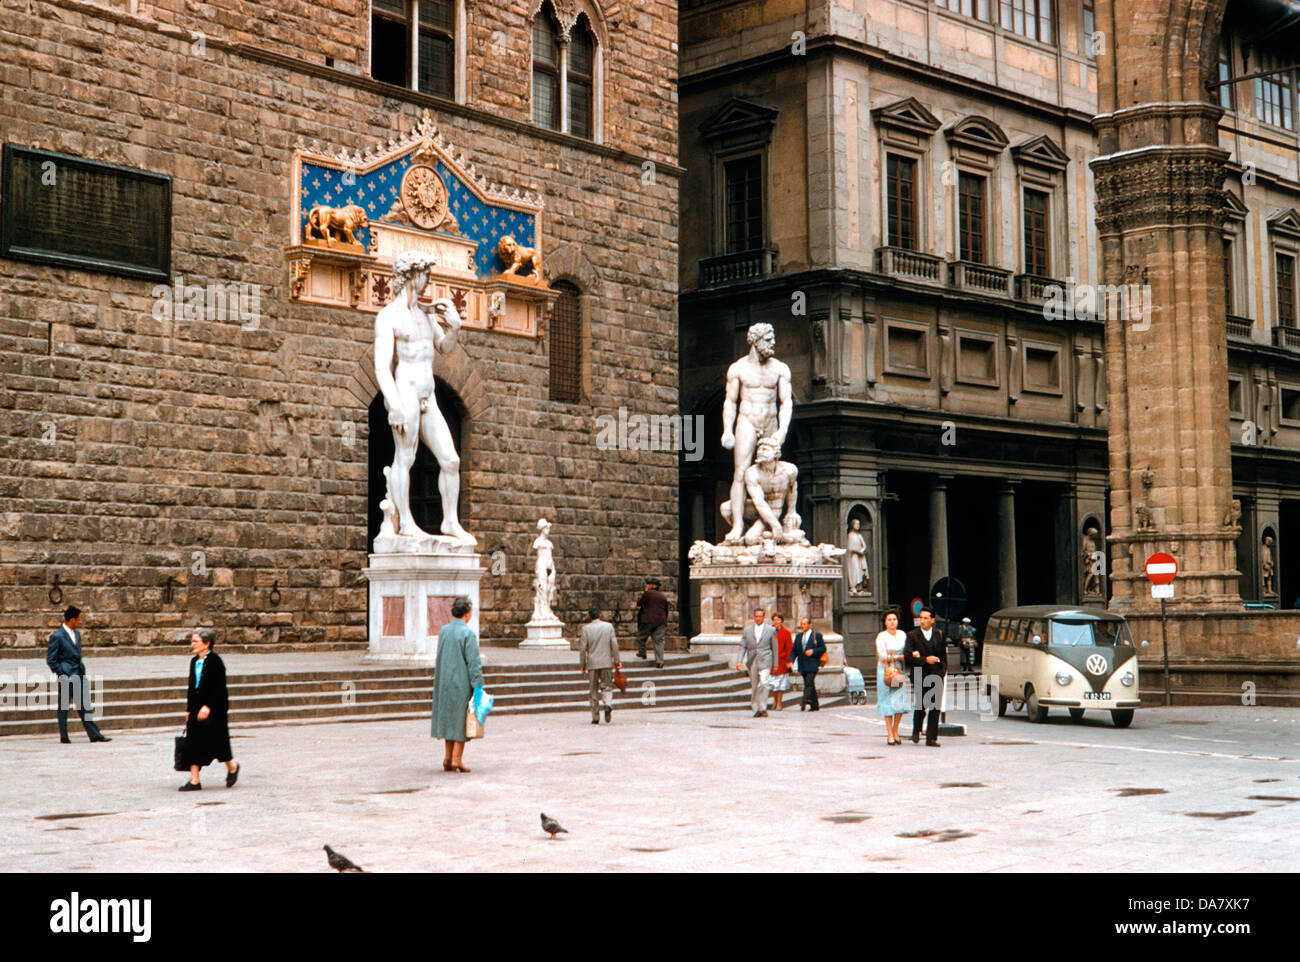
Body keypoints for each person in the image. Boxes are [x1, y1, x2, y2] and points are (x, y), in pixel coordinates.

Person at [720, 322, 793, 544]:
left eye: (773, 339)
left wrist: (782, 430)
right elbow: (730, 402)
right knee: (741, 472)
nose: (773, 344)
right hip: (747, 420)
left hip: (770, 419)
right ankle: (738, 525)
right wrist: (727, 431)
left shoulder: (780, 368)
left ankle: (769, 522)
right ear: (755, 340)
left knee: (771, 471)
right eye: (768, 340)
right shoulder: (738, 368)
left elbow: (786, 402)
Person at [179, 628, 237, 790]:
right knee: (192, 741)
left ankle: (232, 767)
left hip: (215, 707)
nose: (192, 644)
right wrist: (189, 709)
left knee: (218, 742)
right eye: (192, 641)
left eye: (196, 641)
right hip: (197, 706)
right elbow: (192, 687)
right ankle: (194, 780)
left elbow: (219, 688)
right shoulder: (194, 661)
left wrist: (208, 706)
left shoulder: (215, 661)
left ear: (207, 643)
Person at [431, 596, 484, 773]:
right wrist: (478, 685)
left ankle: (447, 757)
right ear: (467, 614)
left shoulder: (444, 631)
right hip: (461, 682)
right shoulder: (468, 634)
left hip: (444, 681)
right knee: (462, 720)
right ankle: (456, 759)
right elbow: (473, 663)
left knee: (449, 719)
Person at [46, 605, 110, 744]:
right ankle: (64, 735)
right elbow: (51, 659)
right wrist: (62, 670)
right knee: (64, 706)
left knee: (84, 706)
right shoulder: (57, 636)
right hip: (66, 675)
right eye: (79, 619)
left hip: (79, 674)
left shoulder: (77, 634)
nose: (80, 622)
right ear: (72, 619)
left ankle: (94, 734)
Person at [905, 606, 947, 746]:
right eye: (920, 618)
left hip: (936, 674)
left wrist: (942, 672)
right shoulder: (912, 635)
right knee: (921, 704)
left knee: (935, 706)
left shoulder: (939, 634)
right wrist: (924, 659)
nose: (922, 621)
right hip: (919, 674)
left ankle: (931, 738)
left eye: (925, 618)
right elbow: (907, 657)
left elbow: (943, 656)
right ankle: (916, 729)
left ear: (932, 620)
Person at [580, 606, 621, 724]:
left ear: (589, 616)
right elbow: (614, 644)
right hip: (606, 661)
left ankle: (595, 716)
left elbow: (583, 649)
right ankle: (607, 703)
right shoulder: (608, 627)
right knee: (607, 686)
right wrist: (617, 661)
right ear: (600, 615)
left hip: (592, 663)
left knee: (593, 690)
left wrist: (582, 665)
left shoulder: (586, 629)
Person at [735, 607, 778, 717]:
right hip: (752, 660)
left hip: (765, 660)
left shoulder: (771, 630)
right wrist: (739, 661)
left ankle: (763, 707)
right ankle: (756, 707)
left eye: (760, 616)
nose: (758, 618)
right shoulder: (747, 630)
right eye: (756, 616)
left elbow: (775, 648)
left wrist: (775, 664)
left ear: (764, 617)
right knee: (754, 685)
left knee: (764, 683)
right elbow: (742, 646)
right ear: (754, 617)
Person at [875, 610, 909, 745]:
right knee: (886, 700)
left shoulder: (902, 635)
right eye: (889, 619)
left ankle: (896, 730)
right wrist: (896, 656)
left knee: (899, 699)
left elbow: (907, 650)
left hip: (899, 670)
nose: (892, 622)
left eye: (894, 619)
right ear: (885, 622)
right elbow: (881, 655)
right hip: (884, 670)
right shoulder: (881, 636)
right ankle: (889, 732)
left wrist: (903, 657)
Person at [790, 616, 827, 712]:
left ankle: (804, 700)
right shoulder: (798, 637)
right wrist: (791, 662)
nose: (803, 626)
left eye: (805, 624)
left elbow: (823, 648)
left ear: (810, 625)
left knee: (809, 683)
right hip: (802, 664)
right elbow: (794, 651)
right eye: (802, 624)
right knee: (809, 684)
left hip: (813, 663)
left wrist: (813, 651)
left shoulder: (816, 635)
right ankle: (815, 705)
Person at [635, 578, 670, 668]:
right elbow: (666, 609)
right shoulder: (663, 596)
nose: (648, 586)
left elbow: (639, 603)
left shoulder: (648, 593)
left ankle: (642, 653)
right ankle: (659, 661)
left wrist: (644, 593)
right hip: (661, 620)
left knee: (641, 637)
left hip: (648, 619)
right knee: (659, 641)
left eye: (649, 584)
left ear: (653, 585)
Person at [769, 613, 794, 710]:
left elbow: (789, 648)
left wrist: (789, 661)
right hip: (771, 661)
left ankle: (779, 703)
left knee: (780, 685)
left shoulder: (786, 632)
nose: (776, 622)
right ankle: (774, 701)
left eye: (778, 620)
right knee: (772, 684)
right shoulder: (769, 631)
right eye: (774, 620)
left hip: (782, 661)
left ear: (781, 621)